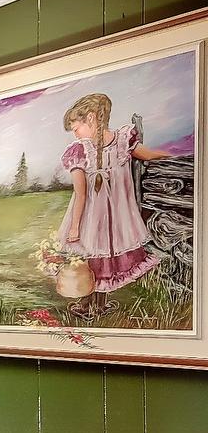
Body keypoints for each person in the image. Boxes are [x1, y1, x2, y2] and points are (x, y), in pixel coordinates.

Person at [57, 92, 171, 320]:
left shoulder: (123, 140)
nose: (76, 134)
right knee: (94, 258)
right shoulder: (80, 151)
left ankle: (96, 307)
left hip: (111, 218)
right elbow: (80, 194)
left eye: (76, 127)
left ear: (90, 118)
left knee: (105, 259)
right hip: (95, 218)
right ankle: (87, 304)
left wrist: (186, 158)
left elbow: (148, 156)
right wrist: (75, 226)